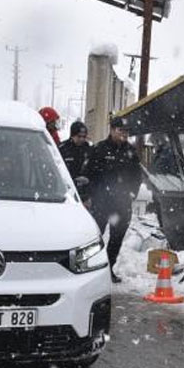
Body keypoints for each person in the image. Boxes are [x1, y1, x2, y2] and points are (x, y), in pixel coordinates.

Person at [83, 117, 143, 283]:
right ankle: (90, 271)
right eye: (120, 130)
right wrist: (89, 196)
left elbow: (137, 177)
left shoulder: (130, 152)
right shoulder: (99, 149)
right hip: (101, 202)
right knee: (95, 238)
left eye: (126, 131)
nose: (123, 134)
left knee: (116, 239)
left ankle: (108, 270)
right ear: (112, 130)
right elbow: (88, 174)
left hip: (122, 204)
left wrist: (132, 194)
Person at [58, 121, 91, 185]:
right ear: (72, 136)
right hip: (67, 185)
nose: (81, 139)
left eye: (84, 137)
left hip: (84, 188)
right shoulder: (63, 148)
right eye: (79, 136)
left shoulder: (87, 149)